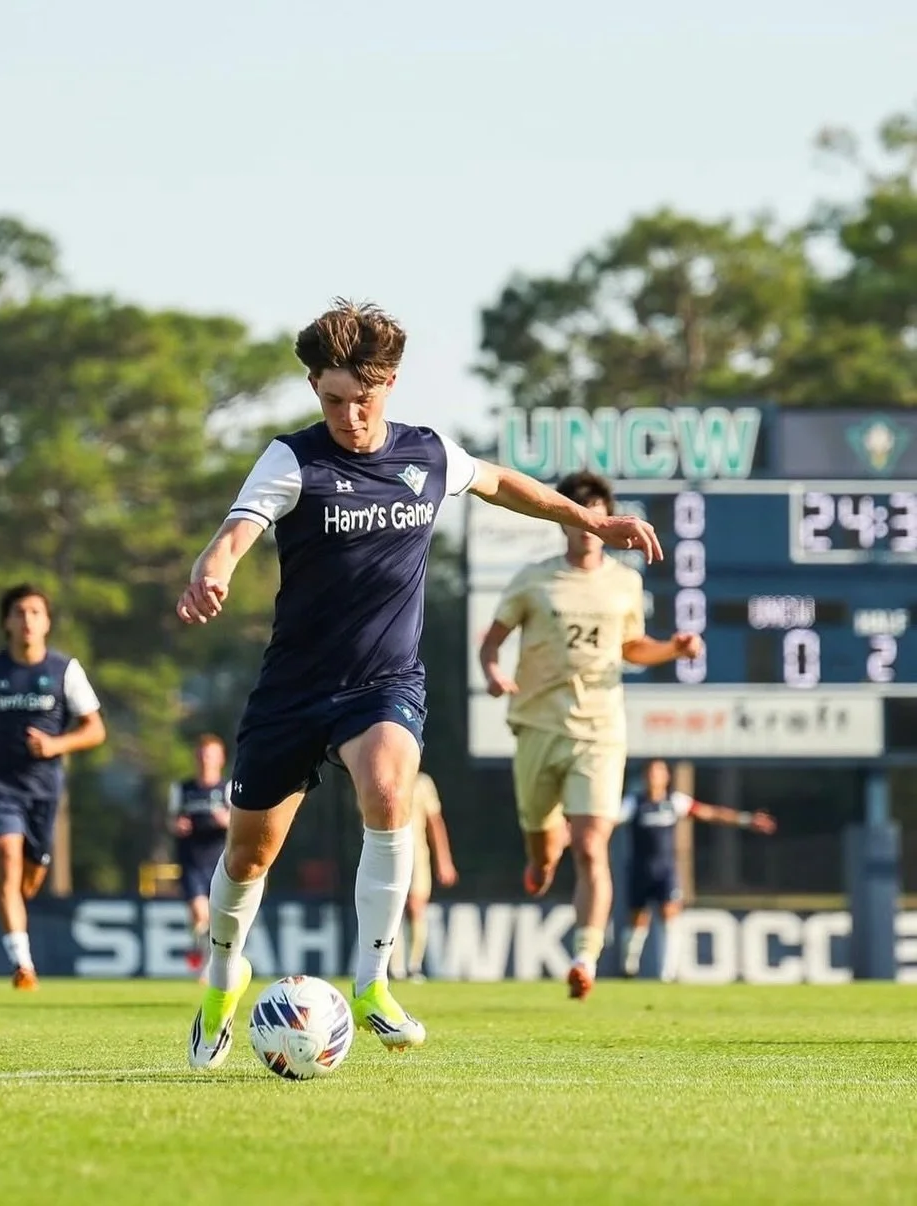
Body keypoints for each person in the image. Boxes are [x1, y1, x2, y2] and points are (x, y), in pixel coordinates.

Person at [176, 300, 661, 1069]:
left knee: (391, 789)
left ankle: (373, 983)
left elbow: (504, 484)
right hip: (294, 690)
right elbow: (239, 528)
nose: (348, 413)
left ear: (390, 384)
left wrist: (591, 522)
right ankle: (222, 977)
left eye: (361, 398)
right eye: (331, 398)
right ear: (315, 390)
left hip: (383, 683)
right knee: (248, 857)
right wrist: (213, 568)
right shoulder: (292, 459)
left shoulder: (430, 455)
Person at [477, 470, 700, 1002]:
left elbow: (632, 647)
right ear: (563, 520)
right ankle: (538, 859)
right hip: (537, 725)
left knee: (592, 845)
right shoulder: (534, 579)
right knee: (545, 845)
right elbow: (492, 641)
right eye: (578, 515)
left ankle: (585, 955)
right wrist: (492, 671)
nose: (587, 527)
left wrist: (673, 649)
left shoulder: (625, 582)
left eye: (597, 515)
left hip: (601, 729)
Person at [0, 583, 106, 989]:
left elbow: (95, 730)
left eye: (36, 612)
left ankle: (13, 883)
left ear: (47, 622)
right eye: (20, 612)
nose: (27, 620)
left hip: (45, 787)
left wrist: (57, 743)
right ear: (6, 621)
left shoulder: (64, 670)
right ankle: (23, 964)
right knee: (6, 860)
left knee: (29, 879)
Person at [620, 758, 777, 981]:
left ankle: (668, 974)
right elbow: (609, 821)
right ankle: (629, 967)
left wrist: (746, 819)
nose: (655, 776)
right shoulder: (633, 803)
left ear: (667, 776)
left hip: (666, 870)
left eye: (660, 771)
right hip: (640, 869)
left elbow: (710, 813)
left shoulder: (675, 802)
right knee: (637, 920)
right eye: (651, 772)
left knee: (670, 915)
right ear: (645, 776)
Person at [167, 734, 231, 972]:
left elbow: (238, 823)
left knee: (216, 919)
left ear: (221, 759)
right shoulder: (183, 789)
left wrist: (226, 821)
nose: (206, 761)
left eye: (211, 756)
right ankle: (203, 957)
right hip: (192, 860)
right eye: (203, 756)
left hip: (219, 861)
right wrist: (177, 825)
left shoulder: (228, 789)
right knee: (198, 912)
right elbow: (171, 820)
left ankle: (210, 961)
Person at [389, 769, 457, 982]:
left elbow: (435, 822)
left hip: (417, 855)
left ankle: (413, 965)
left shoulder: (422, 783)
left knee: (416, 906)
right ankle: (393, 967)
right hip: (389, 855)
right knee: (391, 910)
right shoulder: (382, 778)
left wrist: (444, 860)